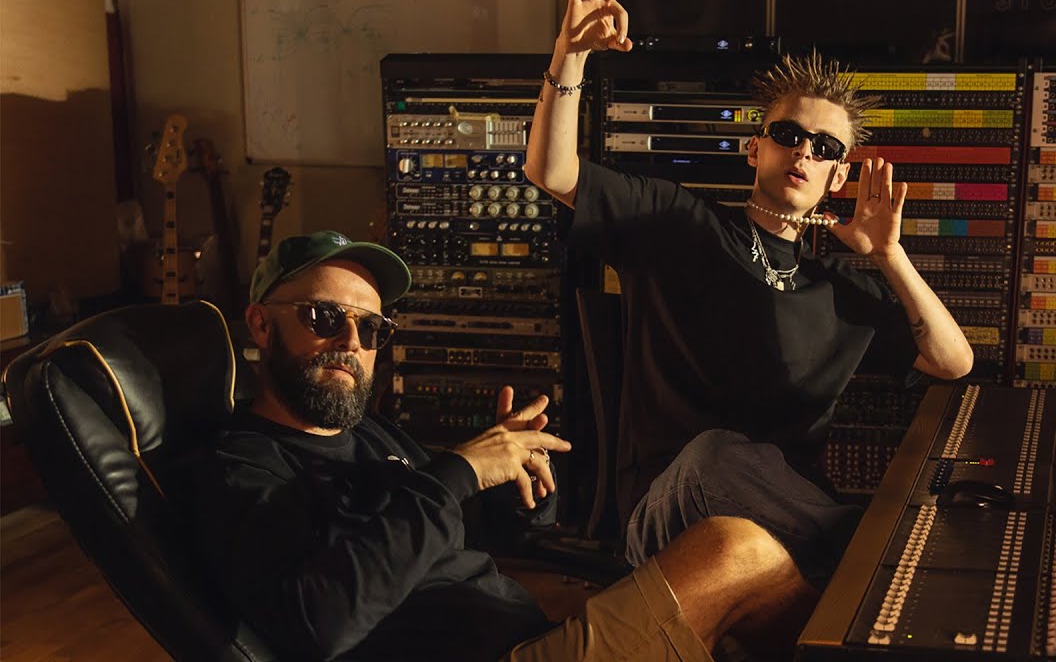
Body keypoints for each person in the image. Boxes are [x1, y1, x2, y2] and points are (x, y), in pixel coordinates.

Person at [523, 0, 975, 587]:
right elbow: (551, 172)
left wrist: (888, 256)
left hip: (787, 528)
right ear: (755, 148)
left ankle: (858, 565)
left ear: (838, 175)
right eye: (788, 134)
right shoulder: (678, 223)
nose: (804, 151)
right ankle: (875, 562)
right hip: (673, 513)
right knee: (715, 454)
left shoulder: (838, 290)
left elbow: (954, 362)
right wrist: (570, 56)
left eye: (826, 148)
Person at [184, 230, 819, 662]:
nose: (352, 341)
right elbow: (317, 622)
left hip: (528, 632)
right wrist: (460, 469)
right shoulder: (240, 466)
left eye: (372, 328)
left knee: (747, 601)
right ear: (262, 324)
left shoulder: (369, 435)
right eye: (325, 317)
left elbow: (454, 534)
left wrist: (517, 493)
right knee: (734, 550)